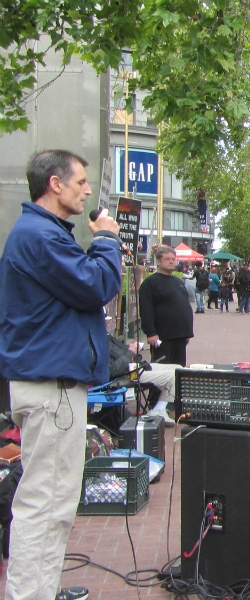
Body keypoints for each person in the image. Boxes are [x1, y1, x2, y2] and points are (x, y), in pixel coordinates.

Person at [0, 149, 122, 600]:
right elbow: (95, 285)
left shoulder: (39, 233)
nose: (87, 190)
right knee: (45, 503)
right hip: (51, 389)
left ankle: (40, 589)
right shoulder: (39, 235)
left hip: (52, 386)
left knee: (53, 501)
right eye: (80, 183)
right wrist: (107, 241)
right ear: (54, 183)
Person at [139, 246, 194, 366]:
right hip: (163, 336)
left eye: (173, 259)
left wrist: (187, 331)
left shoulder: (178, 281)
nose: (171, 261)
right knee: (162, 369)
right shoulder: (150, 283)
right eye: (167, 259)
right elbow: (146, 309)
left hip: (180, 334)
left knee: (179, 370)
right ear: (158, 261)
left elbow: (183, 304)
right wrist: (151, 332)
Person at [107, 331, 175, 426]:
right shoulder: (98, 342)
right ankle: (158, 410)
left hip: (133, 366)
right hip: (125, 375)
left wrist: (131, 348)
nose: (106, 322)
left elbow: (119, 353)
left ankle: (160, 408)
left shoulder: (105, 335)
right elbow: (113, 370)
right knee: (173, 375)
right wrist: (131, 352)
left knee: (177, 368)